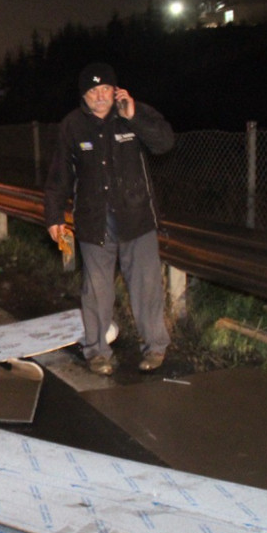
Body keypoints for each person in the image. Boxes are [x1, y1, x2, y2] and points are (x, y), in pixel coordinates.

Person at [43, 62, 175, 375]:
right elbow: (59, 175)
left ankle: (155, 348)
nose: (100, 96)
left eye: (105, 89)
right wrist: (53, 215)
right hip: (94, 222)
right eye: (92, 91)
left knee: (146, 287)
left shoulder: (132, 115)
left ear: (116, 90)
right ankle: (97, 352)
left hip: (137, 218)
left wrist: (134, 117)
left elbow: (164, 143)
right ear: (83, 96)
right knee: (96, 291)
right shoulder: (72, 126)